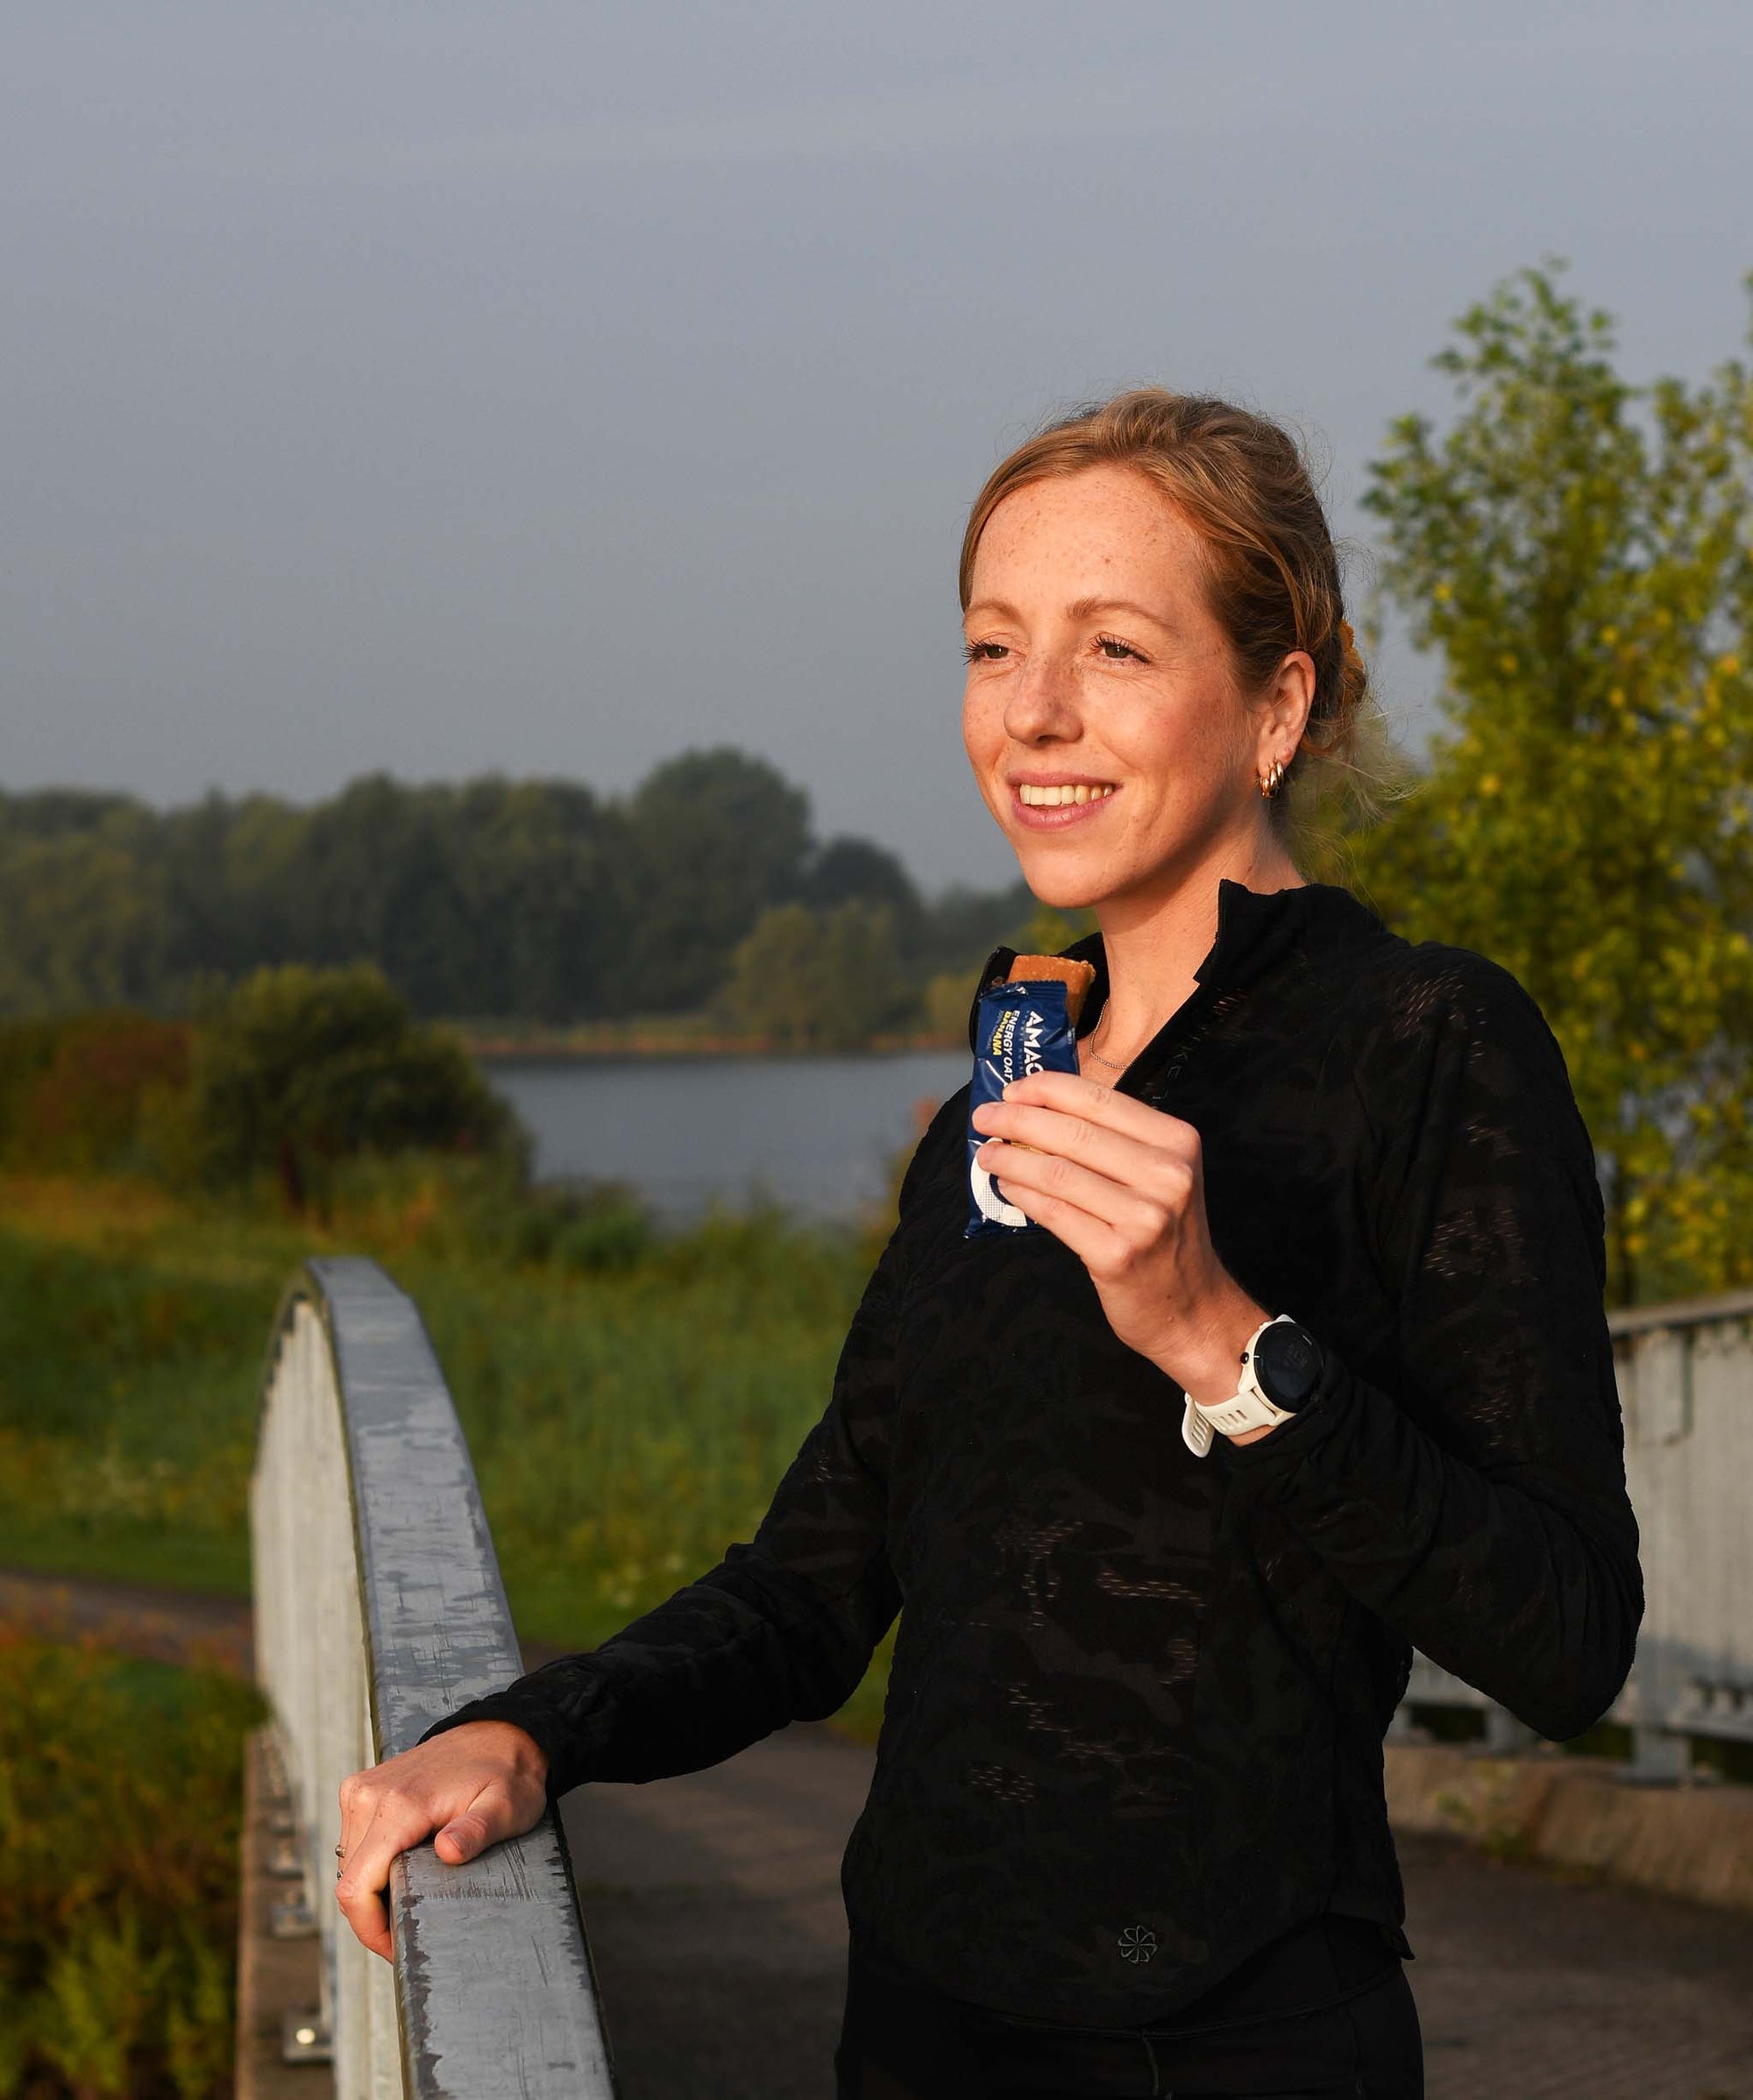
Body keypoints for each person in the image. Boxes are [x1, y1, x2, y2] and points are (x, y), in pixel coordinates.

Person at [334, 390, 1642, 2098]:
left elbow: (1565, 1634)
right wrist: (524, 1735)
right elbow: (814, 1584)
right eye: (992, 646)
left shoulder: (1426, 1044)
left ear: (1277, 701)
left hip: (1234, 2041)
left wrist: (1220, 1342)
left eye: (1111, 648)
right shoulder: (994, 1109)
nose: (1032, 712)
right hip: (914, 2026)